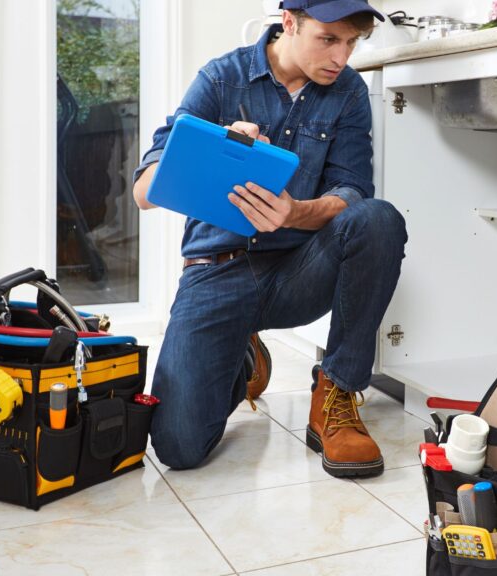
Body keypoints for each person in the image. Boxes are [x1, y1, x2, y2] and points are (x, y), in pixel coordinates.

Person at [131, 0, 406, 478]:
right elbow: (143, 191)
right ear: (289, 23)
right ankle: (241, 355)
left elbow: (353, 190)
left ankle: (337, 392)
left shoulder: (348, 92)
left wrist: (295, 213)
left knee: (378, 219)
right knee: (179, 447)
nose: (341, 57)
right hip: (216, 270)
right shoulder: (221, 78)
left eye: (351, 43)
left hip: (297, 270)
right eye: (328, 39)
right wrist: (214, 147)